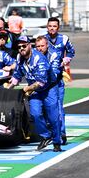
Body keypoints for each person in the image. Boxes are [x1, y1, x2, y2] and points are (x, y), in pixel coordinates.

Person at [7, 35, 62, 152]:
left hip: (49, 89)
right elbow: (17, 75)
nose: (21, 48)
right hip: (35, 91)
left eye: (24, 46)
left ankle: (57, 142)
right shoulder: (19, 57)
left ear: (29, 46)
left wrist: (26, 89)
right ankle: (46, 136)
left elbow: (41, 82)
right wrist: (8, 89)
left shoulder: (39, 58)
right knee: (35, 114)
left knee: (53, 118)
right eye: (19, 47)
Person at [44, 17, 75, 145]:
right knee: (45, 108)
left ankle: (62, 133)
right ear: (47, 27)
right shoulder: (41, 39)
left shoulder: (64, 39)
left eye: (54, 26)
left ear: (58, 27)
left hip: (58, 78)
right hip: (44, 79)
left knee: (58, 107)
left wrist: (66, 59)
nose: (52, 28)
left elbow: (71, 52)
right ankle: (50, 132)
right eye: (50, 26)